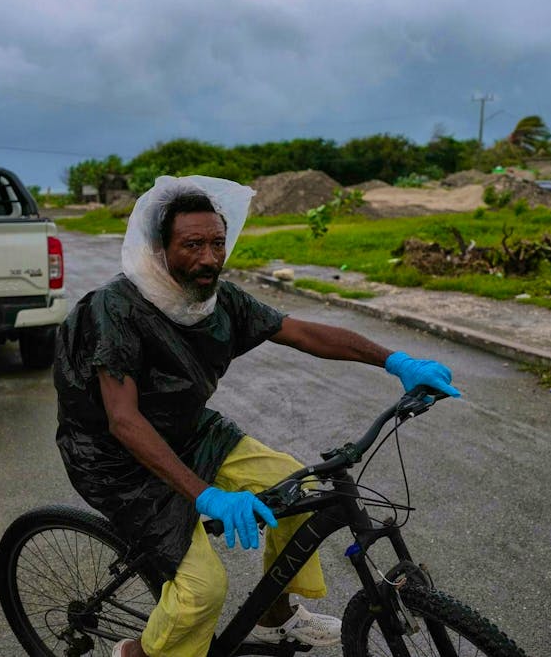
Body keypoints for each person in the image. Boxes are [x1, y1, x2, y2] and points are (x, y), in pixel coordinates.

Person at [54, 176, 460, 657]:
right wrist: (208, 496)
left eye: (217, 243)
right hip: (116, 461)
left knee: (299, 485)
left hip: (189, 432)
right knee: (202, 591)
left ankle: (276, 617)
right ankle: (135, 653)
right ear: (160, 249)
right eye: (192, 245)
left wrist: (396, 362)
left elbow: (303, 332)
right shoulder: (114, 309)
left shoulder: (217, 299)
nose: (209, 257)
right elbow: (123, 421)